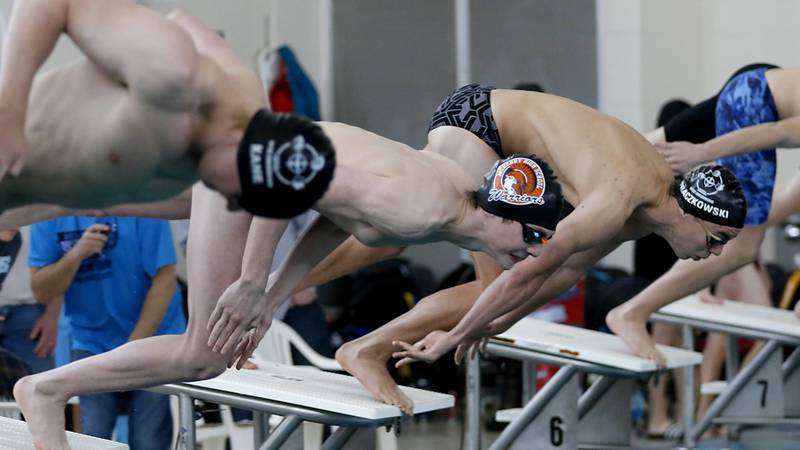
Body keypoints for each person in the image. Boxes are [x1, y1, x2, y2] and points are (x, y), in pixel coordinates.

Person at [227, 85, 748, 413]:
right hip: (487, 126)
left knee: (387, 239)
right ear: (694, 212)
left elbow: (561, 277)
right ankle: (360, 346)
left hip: (490, 120)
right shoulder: (619, 198)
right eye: (715, 240)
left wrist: (491, 323)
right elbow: (531, 271)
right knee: (452, 251)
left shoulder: (643, 213)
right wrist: (462, 330)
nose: (714, 254)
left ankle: (278, 296)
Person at [606, 63, 793, 366]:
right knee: (743, 247)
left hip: (759, 83)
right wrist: (703, 153)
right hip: (757, 102)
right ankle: (632, 312)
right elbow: (780, 132)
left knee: (644, 150)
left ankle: (560, 183)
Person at [28, 216, 185, 449]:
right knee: (93, 436)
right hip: (91, 342)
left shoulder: (144, 206)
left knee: (148, 439)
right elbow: (41, 291)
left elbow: (165, 281)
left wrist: (131, 350)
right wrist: (75, 254)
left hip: (153, 338)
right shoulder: (49, 215)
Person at [0, 227, 58, 376]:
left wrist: (53, 314)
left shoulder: (14, 236)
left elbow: (56, 259)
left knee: (41, 385)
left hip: (30, 313)